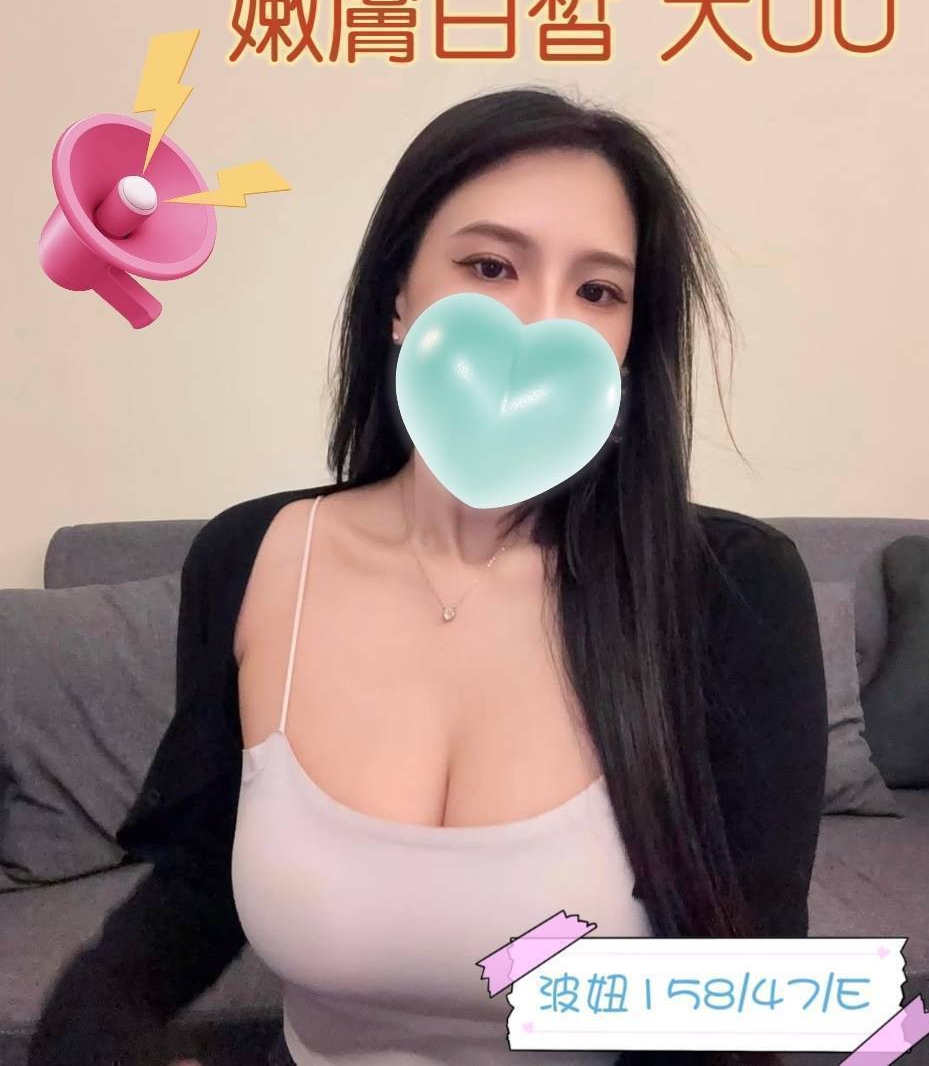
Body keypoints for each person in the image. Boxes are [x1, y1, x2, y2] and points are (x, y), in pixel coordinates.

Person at [27, 85, 827, 1066]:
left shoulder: (731, 590)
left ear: (628, 347)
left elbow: (741, 1002)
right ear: (397, 298)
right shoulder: (252, 557)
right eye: (489, 266)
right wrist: (97, 1024)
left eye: (597, 292)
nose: (538, 326)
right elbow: (197, 883)